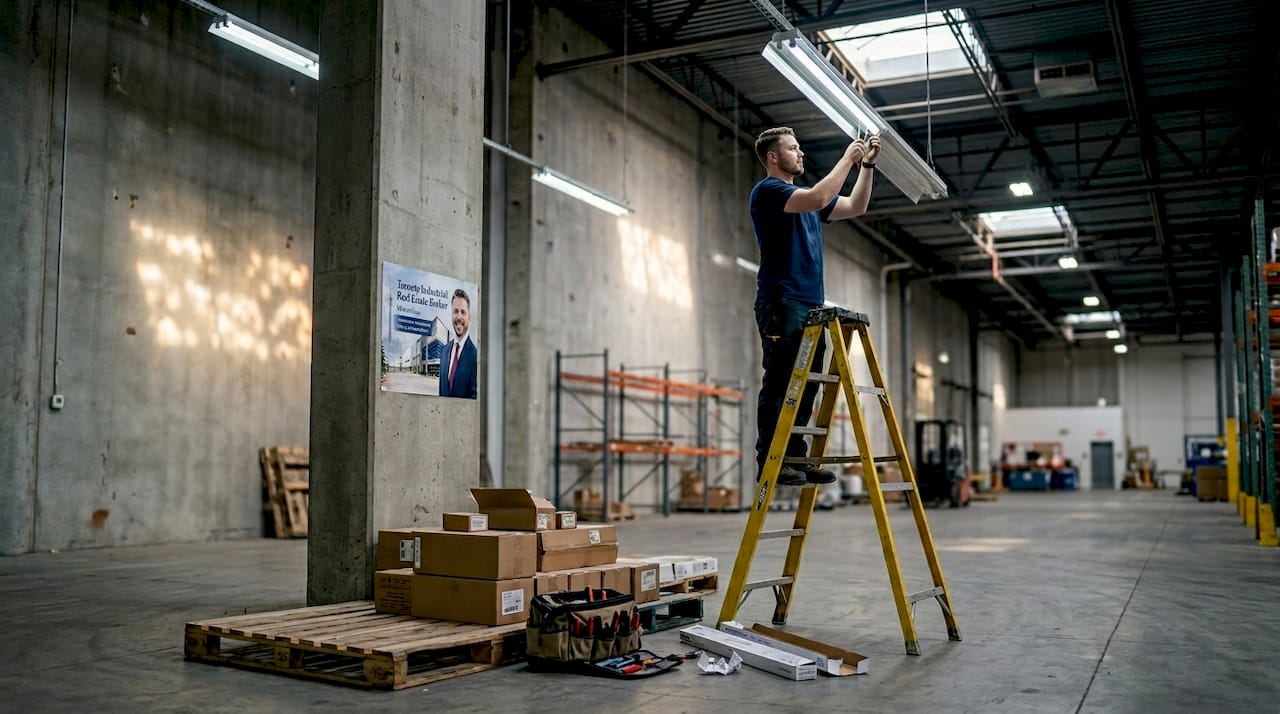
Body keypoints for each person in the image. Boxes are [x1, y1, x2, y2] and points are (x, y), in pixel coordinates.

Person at [750, 127, 881, 485]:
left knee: (806, 385)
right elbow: (819, 196)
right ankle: (770, 462)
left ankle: (796, 457)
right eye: (793, 148)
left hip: (810, 305)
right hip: (782, 300)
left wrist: (866, 167)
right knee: (781, 383)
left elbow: (856, 206)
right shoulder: (770, 191)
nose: (801, 153)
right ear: (773, 157)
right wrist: (846, 160)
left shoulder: (807, 201)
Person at [439, 289, 478, 399]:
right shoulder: (444, 351)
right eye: (455, 311)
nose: (459, 317)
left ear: (469, 317)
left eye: (463, 312)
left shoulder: (475, 356)